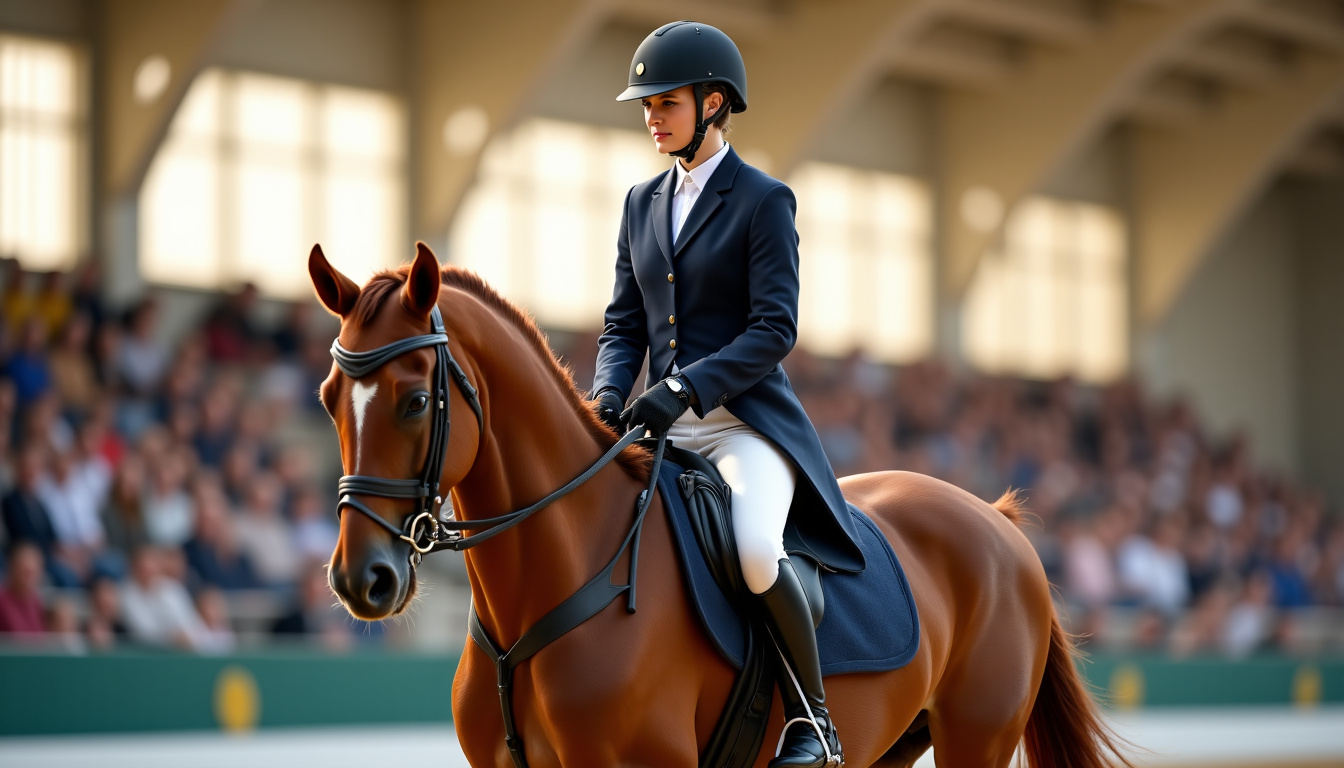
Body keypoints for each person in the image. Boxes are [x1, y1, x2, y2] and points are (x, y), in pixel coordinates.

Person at [591, 21, 865, 767]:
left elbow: (774, 329)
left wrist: (683, 386)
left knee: (752, 552)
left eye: (666, 102)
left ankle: (814, 723)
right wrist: (609, 396)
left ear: (715, 103)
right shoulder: (640, 203)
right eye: (646, 105)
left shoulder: (763, 199)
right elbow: (623, 325)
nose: (651, 117)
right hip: (661, 430)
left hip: (742, 427)